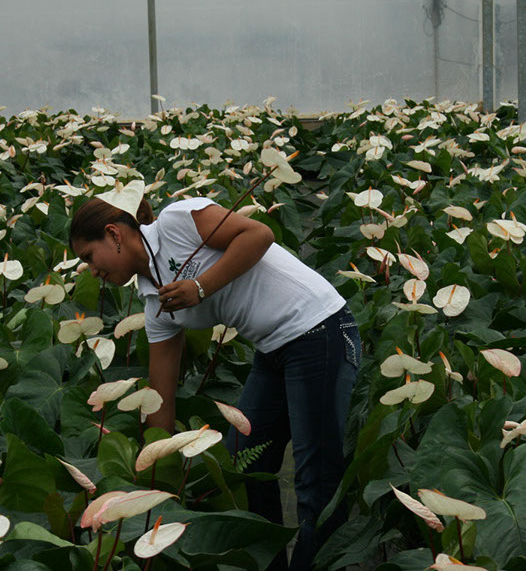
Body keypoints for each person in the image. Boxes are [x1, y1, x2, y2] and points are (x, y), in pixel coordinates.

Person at [69, 195, 360, 570]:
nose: (92, 271)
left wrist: (200, 286)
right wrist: (152, 472)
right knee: (241, 462)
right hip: (273, 350)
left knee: (316, 477)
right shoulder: (155, 303)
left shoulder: (176, 222)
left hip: (319, 330)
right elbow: (160, 397)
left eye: (90, 256)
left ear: (113, 234)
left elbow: (259, 234)